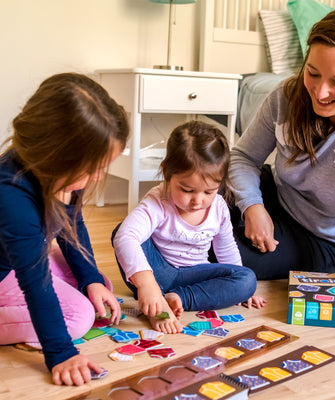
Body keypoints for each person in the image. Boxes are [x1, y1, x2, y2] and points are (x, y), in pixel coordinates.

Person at [229, 5, 335, 312]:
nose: (320, 93)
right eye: (313, 73)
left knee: (213, 255)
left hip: (321, 238)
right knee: (193, 189)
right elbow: (242, 156)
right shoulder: (285, 95)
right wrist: (253, 206)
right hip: (276, 196)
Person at [0, 73, 130, 386]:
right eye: (93, 169)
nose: (98, 177)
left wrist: (91, 278)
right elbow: (35, 283)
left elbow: (72, 227)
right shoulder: (11, 194)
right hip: (8, 273)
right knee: (79, 317)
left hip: (24, 257)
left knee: (97, 287)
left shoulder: (65, 174)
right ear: (56, 156)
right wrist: (60, 352)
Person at [112, 120, 265, 334]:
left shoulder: (219, 207)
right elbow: (125, 237)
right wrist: (147, 285)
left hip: (195, 275)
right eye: (187, 190)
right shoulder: (158, 201)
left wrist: (243, 293)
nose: (197, 201)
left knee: (247, 279)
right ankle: (155, 299)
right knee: (122, 232)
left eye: (209, 192)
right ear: (166, 172)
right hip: (157, 273)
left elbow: (226, 249)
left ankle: (178, 298)